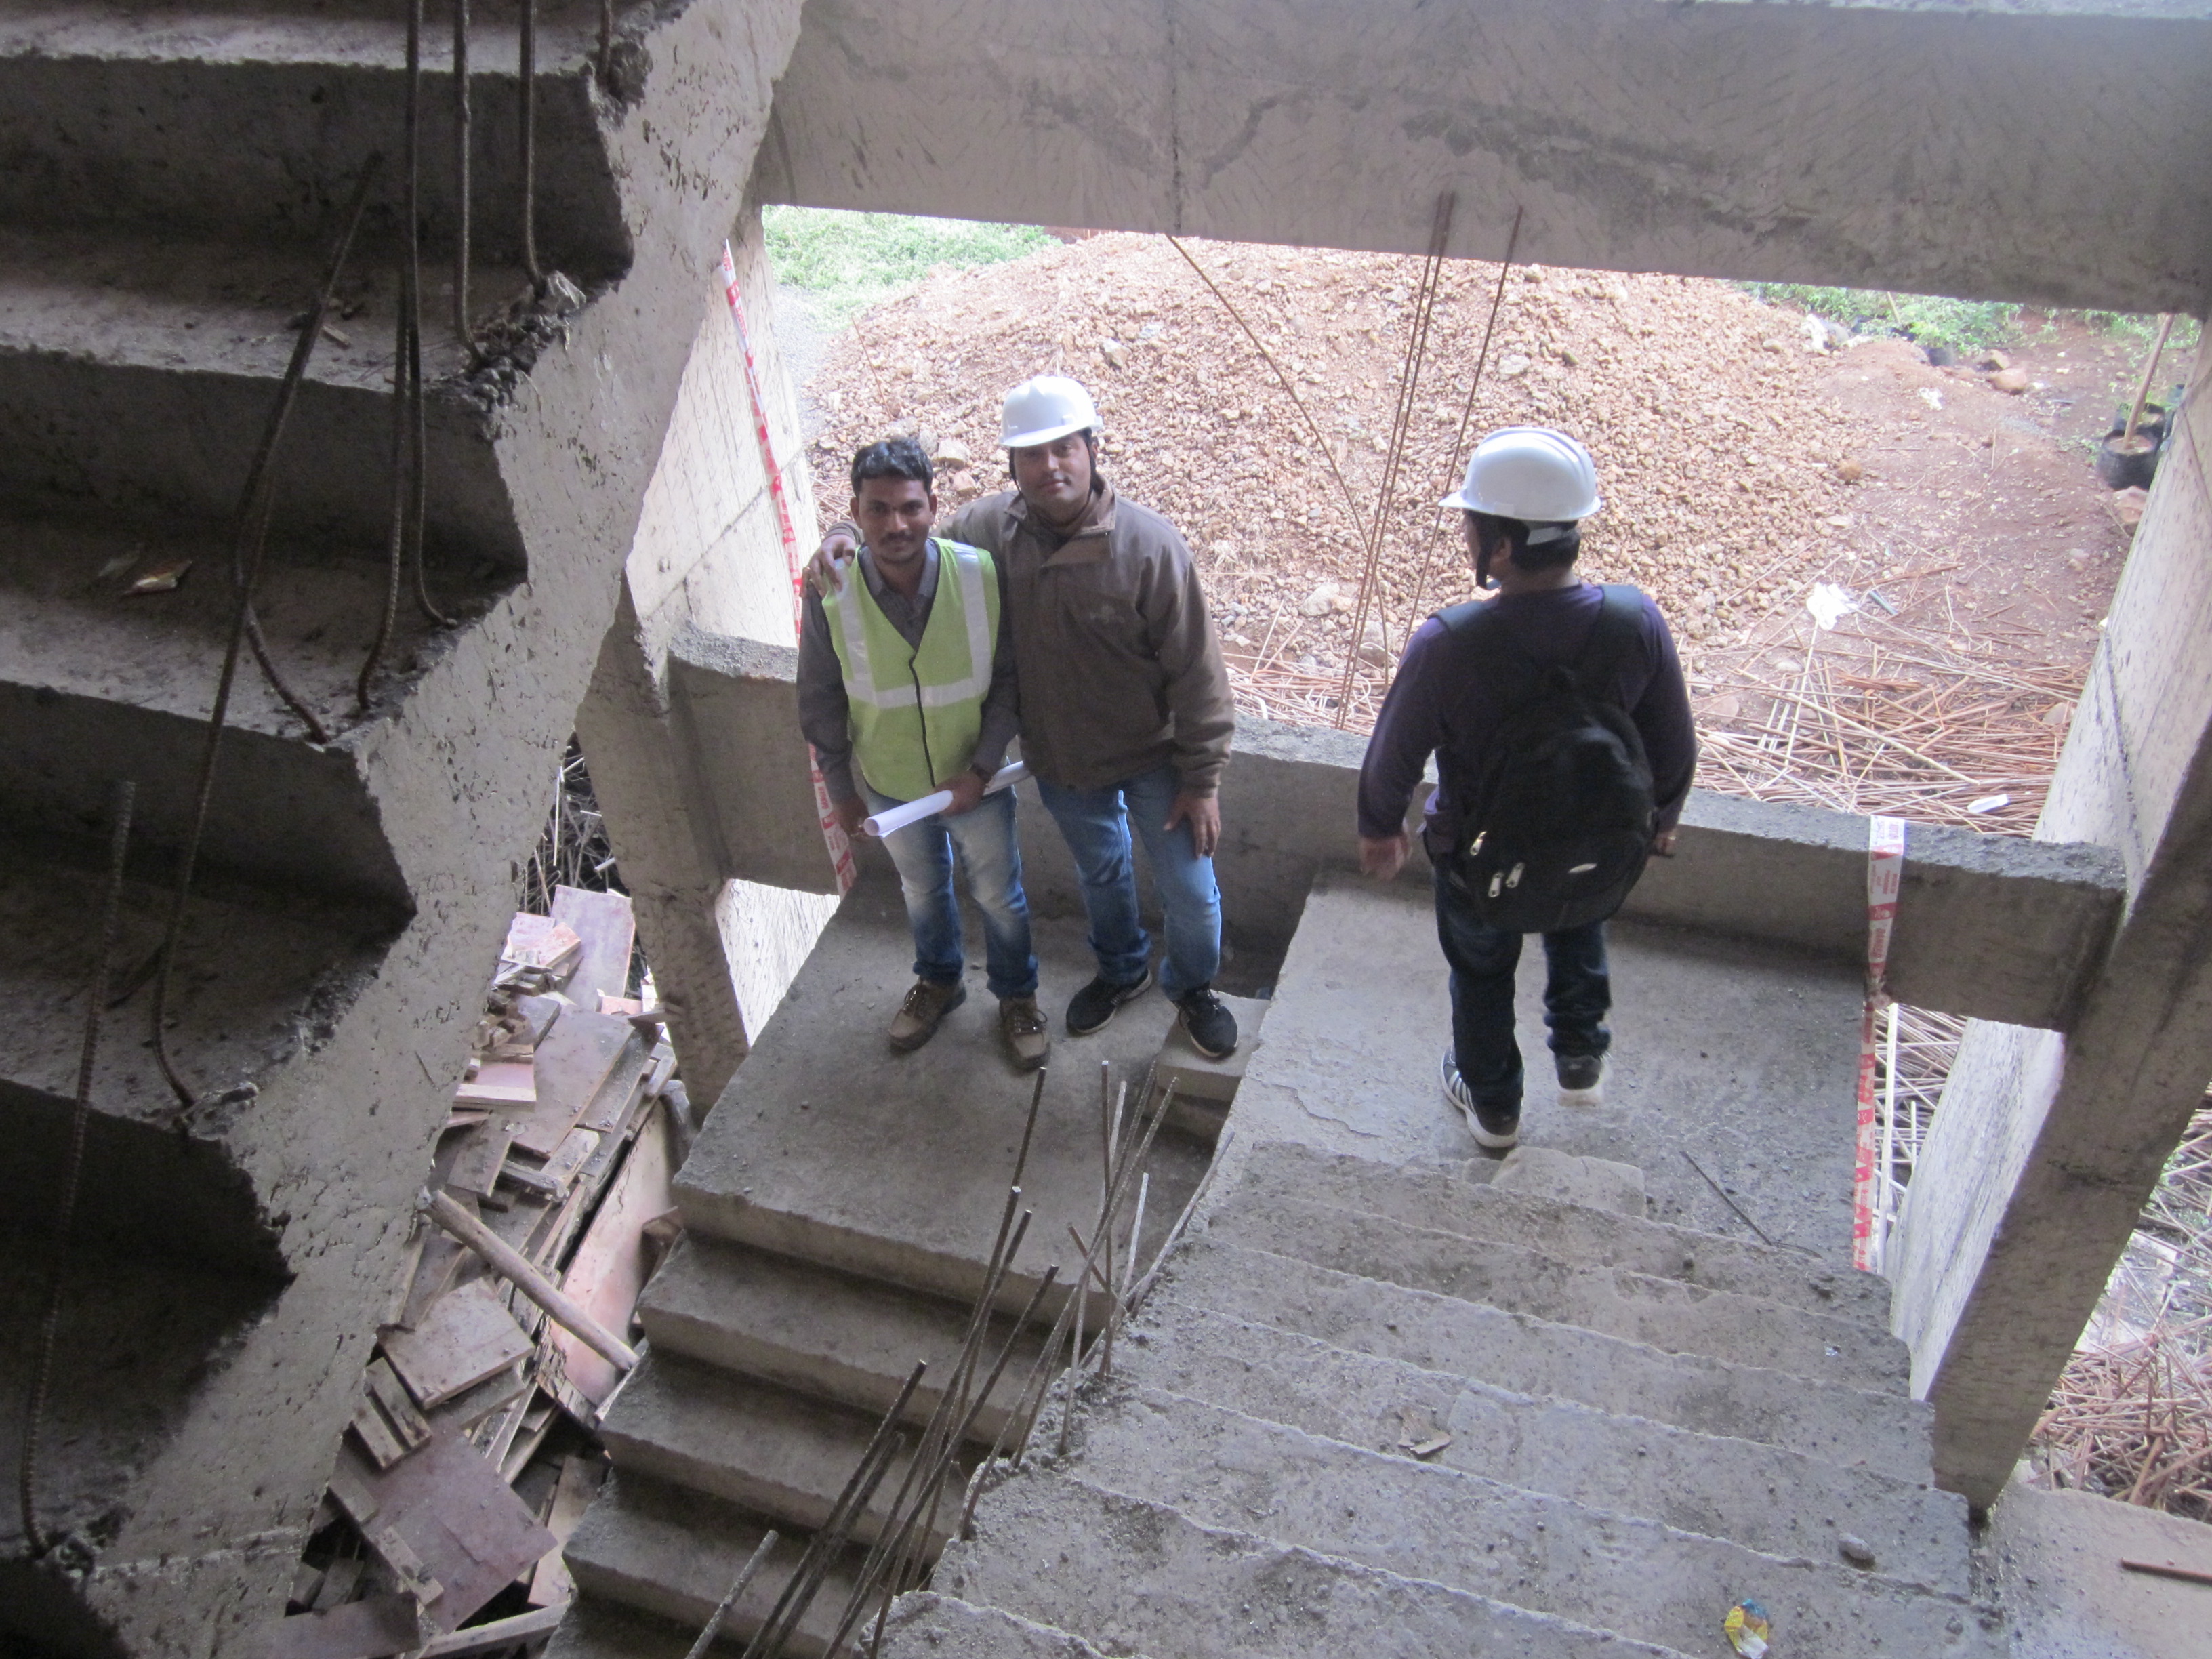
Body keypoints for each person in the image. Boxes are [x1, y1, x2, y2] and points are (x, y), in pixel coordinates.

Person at [814, 377, 1240, 1058]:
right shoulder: (991, 532)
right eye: (1031, 455)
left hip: (1157, 757)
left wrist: (1204, 777)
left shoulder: (1150, 548)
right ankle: (1122, 971)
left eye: (1064, 448)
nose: (1051, 467)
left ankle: (1192, 989)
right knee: (1103, 876)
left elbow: (1198, 673)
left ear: (1093, 449)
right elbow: (907, 537)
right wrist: (840, 532)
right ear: (1012, 467)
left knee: (1190, 890)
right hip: (1066, 763)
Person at [1355, 427, 1696, 1150]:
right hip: (1597, 839)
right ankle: (1579, 1053)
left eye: (1472, 524)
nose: (1466, 535)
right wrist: (1660, 818)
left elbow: (1392, 757)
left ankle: (1495, 1109)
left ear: (1502, 548)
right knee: (1577, 914)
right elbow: (1675, 744)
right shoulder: (1635, 623)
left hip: (1478, 857)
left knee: (1481, 974)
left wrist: (1382, 827)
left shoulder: (1449, 645)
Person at [798, 436, 1050, 1070]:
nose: (896, 524)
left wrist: (982, 767)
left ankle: (1018, 997)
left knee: (999, 894)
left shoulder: (979, 574)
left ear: (934, 505)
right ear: (855, 512)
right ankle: (939, 980)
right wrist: (842, 789)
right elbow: (822, 698)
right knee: (921, 889)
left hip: (976, 781)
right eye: (877, 509)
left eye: (909, 507)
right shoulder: (831, 590)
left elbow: (1012, 680)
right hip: (889, 782)